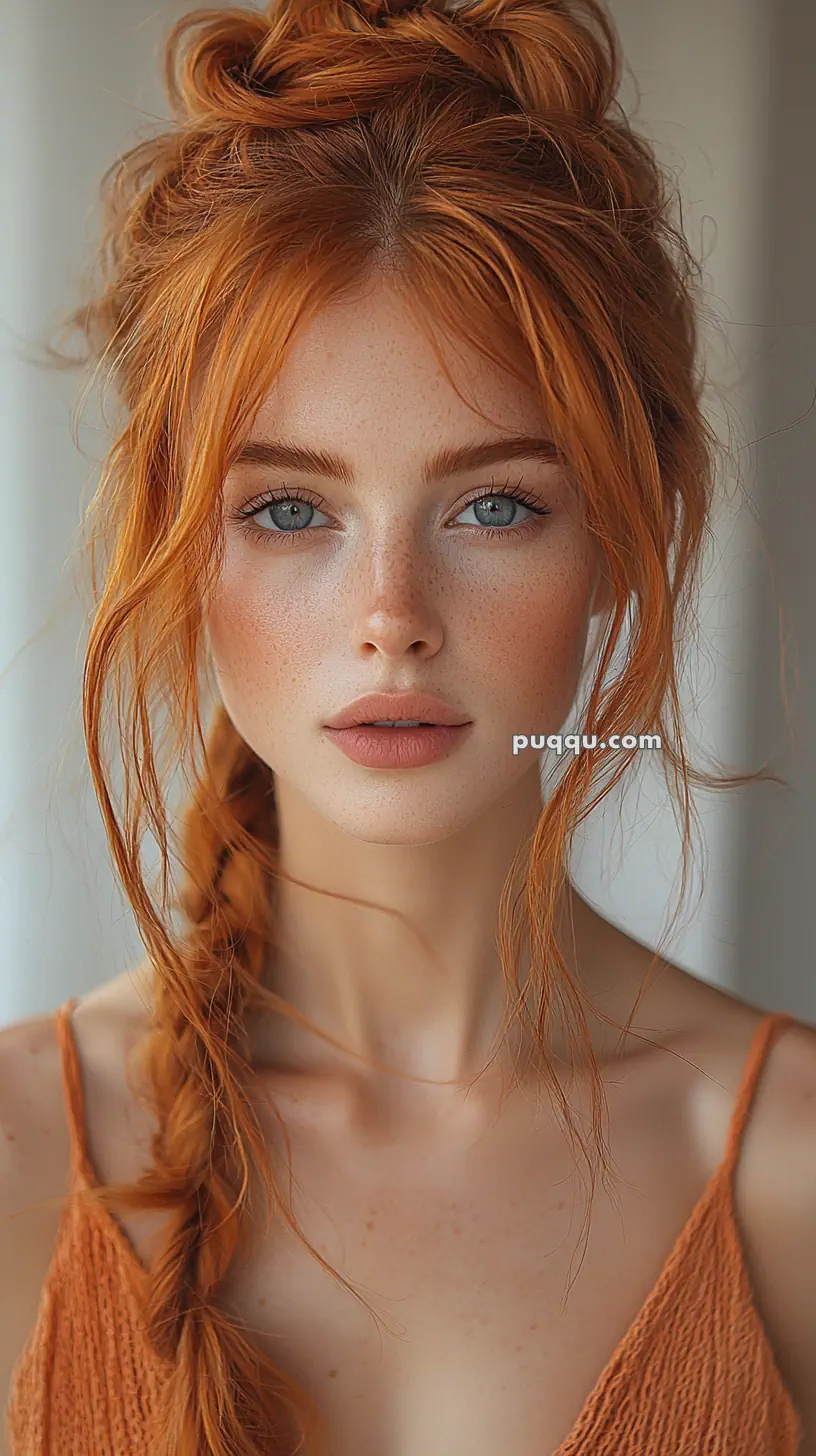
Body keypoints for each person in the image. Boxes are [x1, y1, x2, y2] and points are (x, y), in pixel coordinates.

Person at [1, 0, 814, 1452]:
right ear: (181, 546)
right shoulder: (14, 1158)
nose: (391, 613)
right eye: (289, 509)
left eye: (495, 504)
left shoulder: (792, 1171)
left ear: (627, 537)